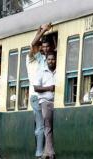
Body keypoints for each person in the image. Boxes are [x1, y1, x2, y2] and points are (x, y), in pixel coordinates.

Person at [27, 23, 52, 158]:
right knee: (41, 125)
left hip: (44, 95)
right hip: (36, 95)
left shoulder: (43, 59)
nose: (43, 48)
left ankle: (44, 151)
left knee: (43, 125)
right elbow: (33, 44)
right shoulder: (31, 58)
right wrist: (43, 31)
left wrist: (40, 30)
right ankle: (39, 153)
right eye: (41, 46)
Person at [34, 52, 57, 159]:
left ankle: (47, 152)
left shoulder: (59, 70)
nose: (51, 61)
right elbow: (36, 88)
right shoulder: (41, 72)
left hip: (57, 102)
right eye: (49, 59)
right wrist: (49, 88)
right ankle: (50, 153)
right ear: (46, 60)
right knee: (48, 126)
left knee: (52, 127)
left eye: (53, 59)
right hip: (45, 101)